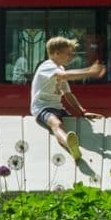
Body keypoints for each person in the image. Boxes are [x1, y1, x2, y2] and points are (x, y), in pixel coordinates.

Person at [30, 35, 105, 163]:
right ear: (56, 53)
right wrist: (90, 72)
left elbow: (68, 94)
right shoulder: (47, 65)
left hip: (58, 108)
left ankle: (73, 147)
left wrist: (83, 112)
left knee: (77, 124)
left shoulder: (60, 68)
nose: (71, 57)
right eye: (68, 54)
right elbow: (64, 76)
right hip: (42, 108)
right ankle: (70, 145)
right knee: (56, 124)